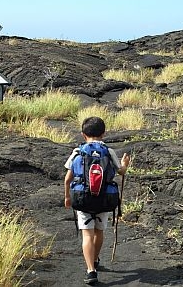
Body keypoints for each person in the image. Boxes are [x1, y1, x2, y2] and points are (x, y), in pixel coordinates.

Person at [64, 116, 130, 285]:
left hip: (83, 198)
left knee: (87, 234)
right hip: (104, 199)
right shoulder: (108, 151)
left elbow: (67, 179)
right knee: (98, 232)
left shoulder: (78, 152)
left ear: (82, 134)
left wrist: (67, 197)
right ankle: (95, 260)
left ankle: (90, 270)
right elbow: (121, 172)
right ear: (103, 133)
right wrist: (125, 164)